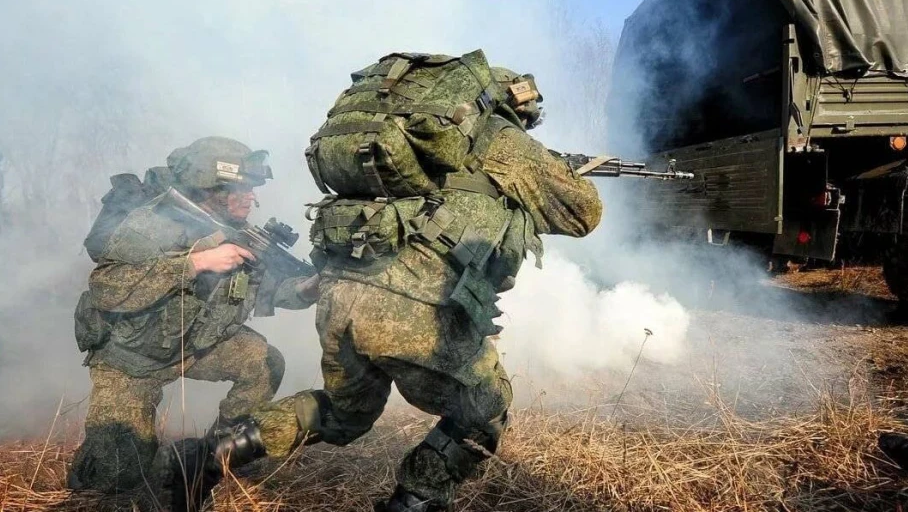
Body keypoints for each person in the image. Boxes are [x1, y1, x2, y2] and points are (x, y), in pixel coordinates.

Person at [157, 61, 603, 512]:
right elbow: (583, 213)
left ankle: (205, 457)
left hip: (343, 294)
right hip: (415, 304)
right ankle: (416, 500)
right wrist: (555, 171)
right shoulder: (501, 138)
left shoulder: (405, 139)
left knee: (344, 412)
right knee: (484, 406)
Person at [67, 136, 320, 493]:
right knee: (117, 478)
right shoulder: (153, 223)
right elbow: (108, 288)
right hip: (131, 359)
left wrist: (309, 287)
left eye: (252, 189)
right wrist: (196, 262)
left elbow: (272, 289)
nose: (251, 198)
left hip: (191, 344)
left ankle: (216, 457)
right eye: (241, 189)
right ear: (209, 187)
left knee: (264, 362)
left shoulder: (236, 233)